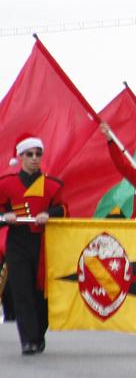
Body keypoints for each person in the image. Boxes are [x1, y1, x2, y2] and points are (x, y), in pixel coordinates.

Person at [0, 135, 67, 355]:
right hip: (18, 242)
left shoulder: (51, 184)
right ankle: (27, 340)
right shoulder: (6, 184)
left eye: (38, 154)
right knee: (22, 291)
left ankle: (38, 335)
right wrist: (5, 215)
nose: (34, 158)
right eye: (30, 154)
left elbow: (64, 209)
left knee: (41, 294)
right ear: (20, 157)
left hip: (44, 244)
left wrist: (49, 213)